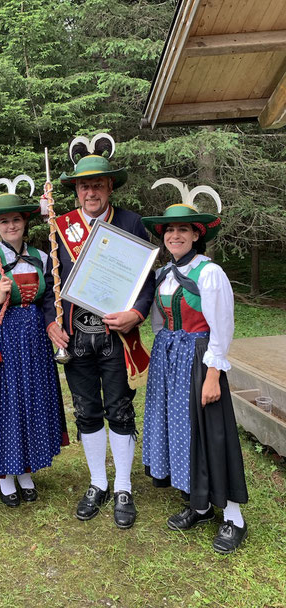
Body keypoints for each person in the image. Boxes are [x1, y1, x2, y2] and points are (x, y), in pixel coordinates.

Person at [44, 134, 155, 529]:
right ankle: (98, 483)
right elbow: (49, 287)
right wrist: (50, 323)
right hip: (76, 338)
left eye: (98, 184)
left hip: (116, 337)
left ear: (110, 187)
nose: (91, 192)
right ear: (76, 190)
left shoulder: (130, 223)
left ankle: (123, 486)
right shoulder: (61, 227)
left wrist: (137, 315)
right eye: (84, 185)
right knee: (87, 410)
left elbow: (147, 282)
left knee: (120, 409)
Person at [141, 178, 248, 553]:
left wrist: (214, 373)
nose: (174, 235)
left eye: (182, 229)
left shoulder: (209, 273)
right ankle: (199, 505)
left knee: (211, 431)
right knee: (181, 431)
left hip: (200, 360)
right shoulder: (161, 274)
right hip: (169, 359)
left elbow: (222, 327)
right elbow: (158, 322)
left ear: (196, 234)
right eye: (169, 229)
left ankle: (233, 515)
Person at [0, 176, 69, 506]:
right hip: (1, 340)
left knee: (30, 400)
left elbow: (51, 296)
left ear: (25, 222)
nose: (11, 225)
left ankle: (26, 469)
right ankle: (6, 475)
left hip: (34, 340)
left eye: (17, 219)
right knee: (5, 404)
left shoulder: (42, 256)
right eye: (4, 220)